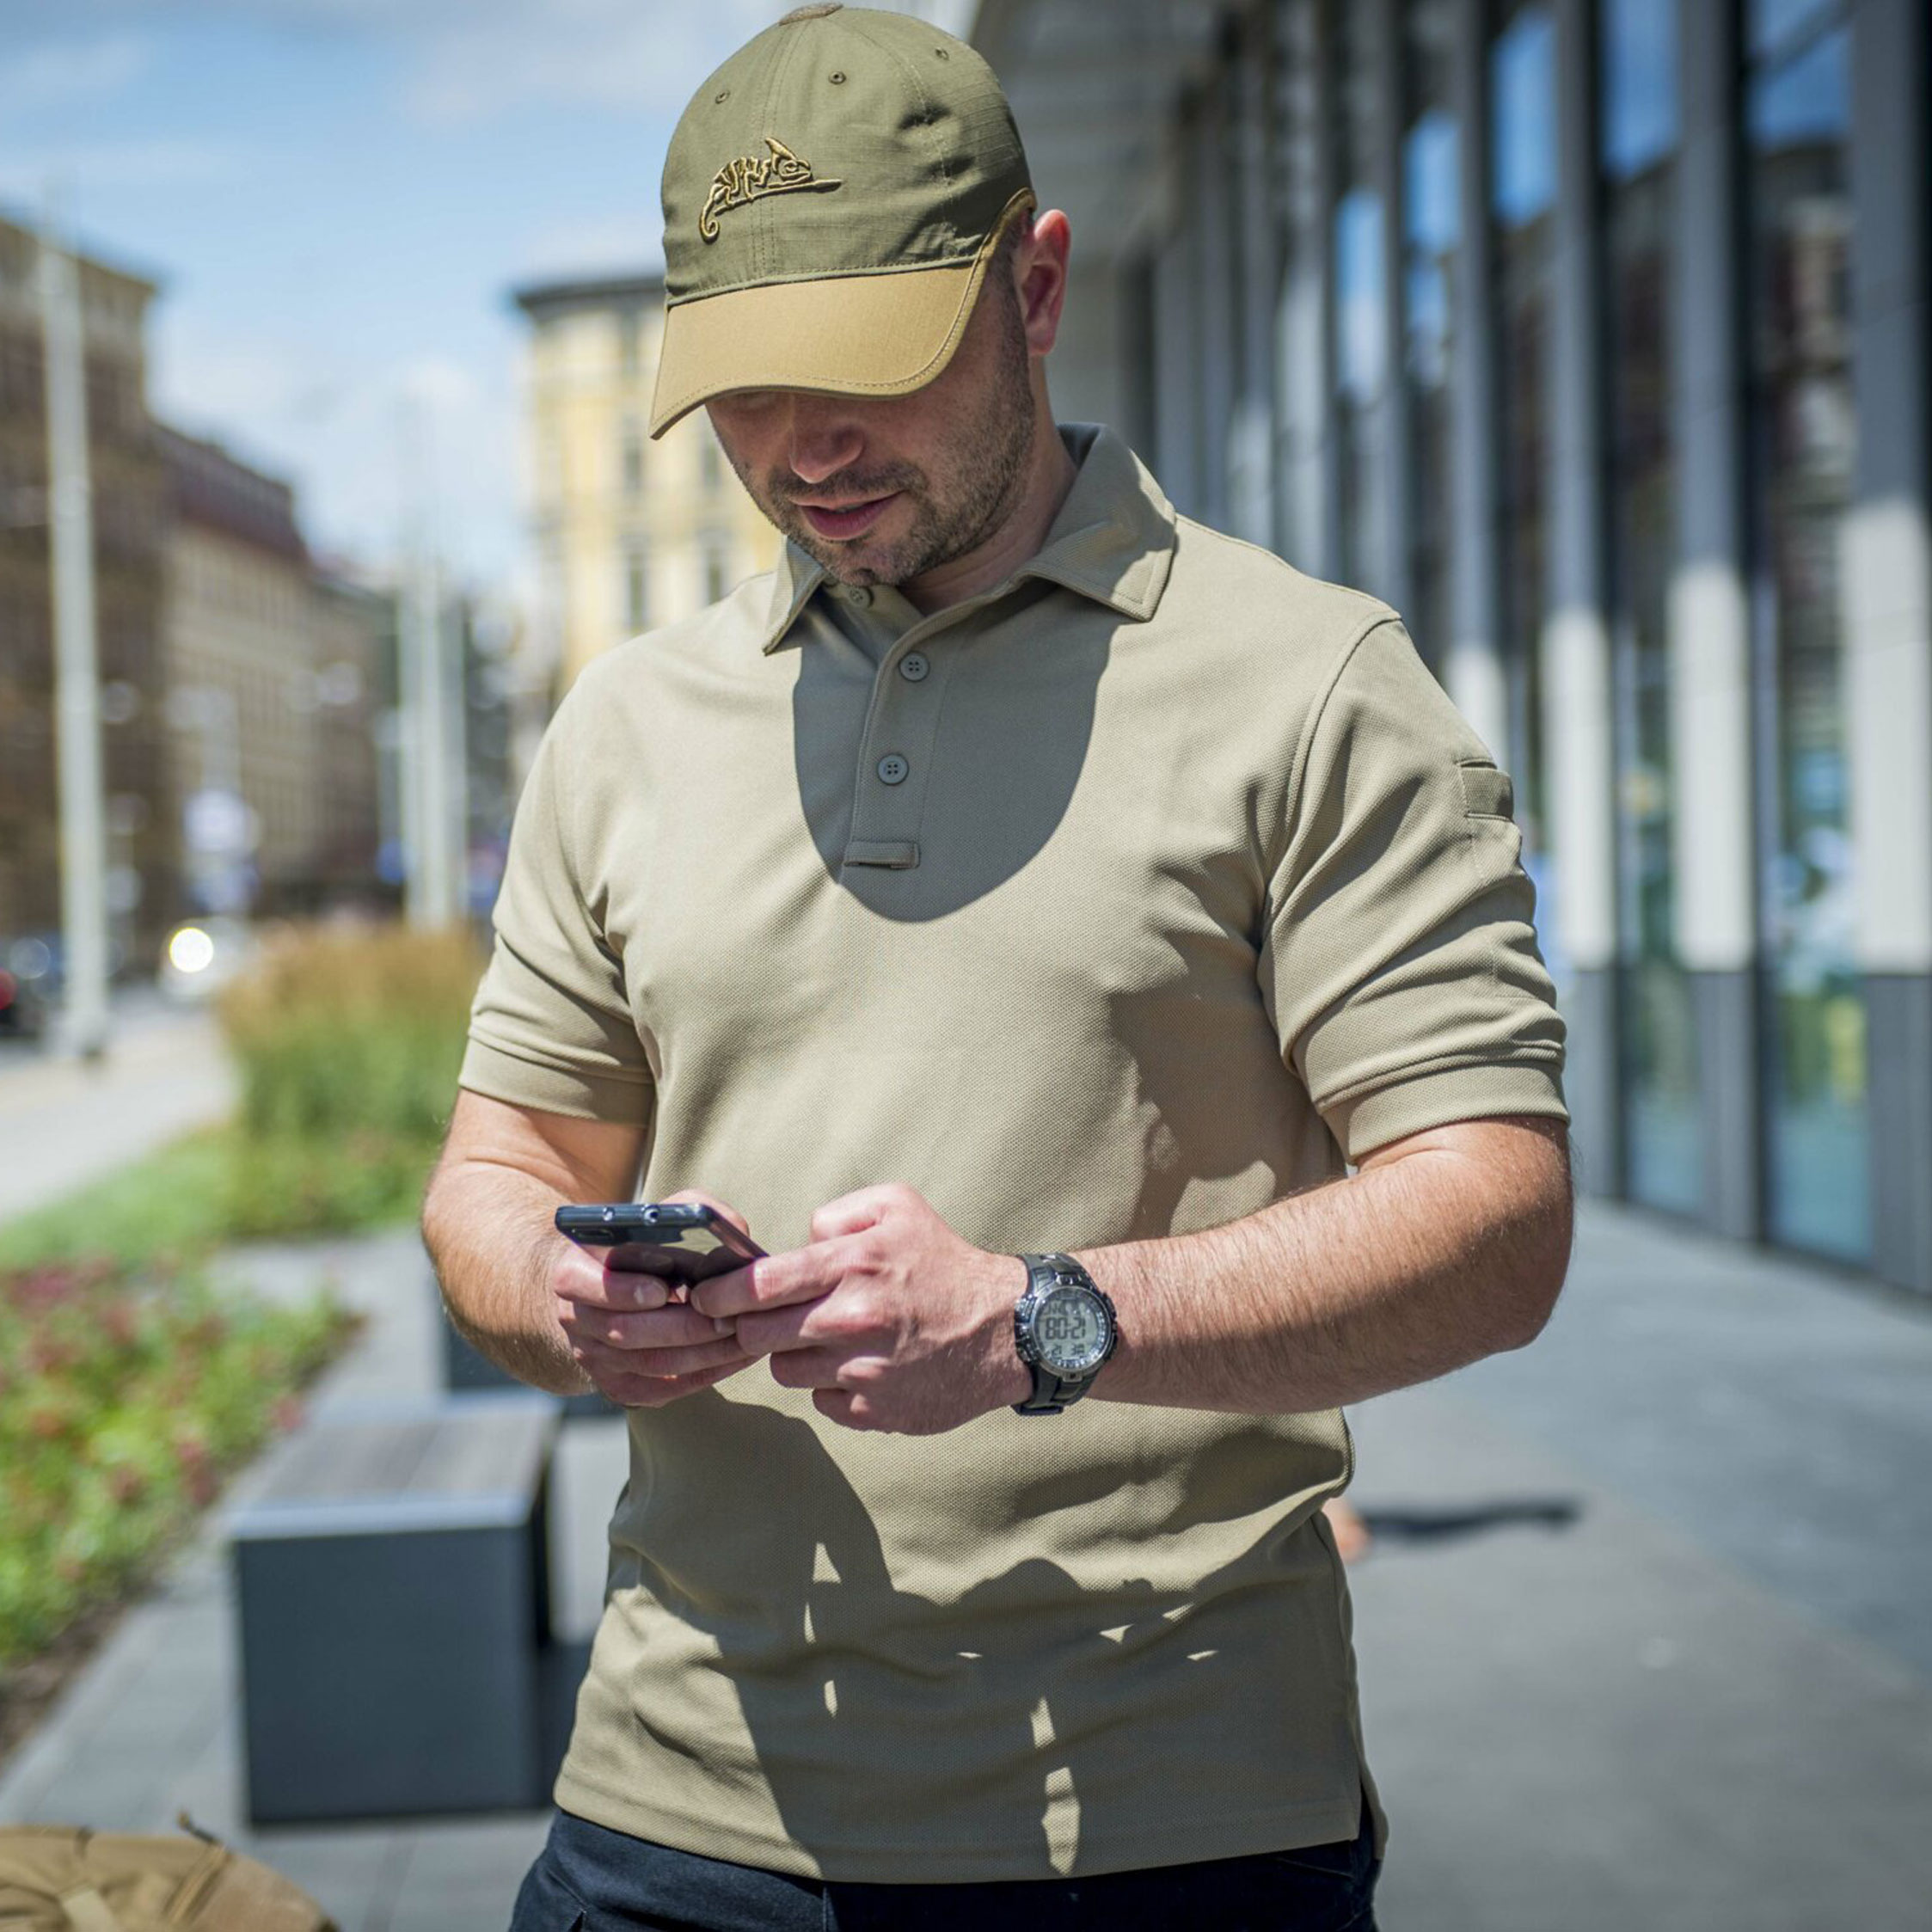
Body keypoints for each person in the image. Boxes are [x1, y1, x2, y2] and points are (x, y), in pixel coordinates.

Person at [424, 8, 1571, 1928]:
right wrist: (557, 1294)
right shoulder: (622, 725)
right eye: (743, 387)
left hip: (1162, 1819)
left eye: (865, 365)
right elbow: (492, 1170)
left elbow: (1496, 1215)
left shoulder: (1310, 683)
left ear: (1033, 287)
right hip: (670, 1805)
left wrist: (1048, 1313)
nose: (803, 448)